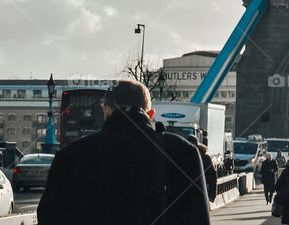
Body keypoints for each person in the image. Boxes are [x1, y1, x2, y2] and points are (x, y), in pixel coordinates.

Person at [38, 79, 210, 225]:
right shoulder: (182, 152)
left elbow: (50, 217)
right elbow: (198, 218)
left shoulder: (69, 156)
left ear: (106, 110)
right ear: (150, 113)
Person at [186, 137, 218, 203]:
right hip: (187, 193)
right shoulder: (183, 157)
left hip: (201, 190)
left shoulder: (205, 158)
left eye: (193, 145)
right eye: (189, 145)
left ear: (197, 146)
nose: (191, 147)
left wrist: (212, 194)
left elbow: (212, 177)